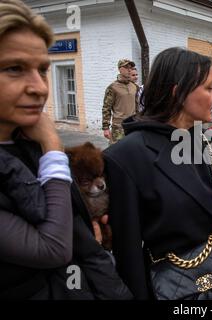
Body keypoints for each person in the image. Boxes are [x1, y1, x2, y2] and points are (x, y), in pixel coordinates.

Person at [103, 47, 212, 300]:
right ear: (178, 93)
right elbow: (128, 254)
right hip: (182, 291)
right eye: (209, 88)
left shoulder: (209, 140)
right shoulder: (126, 157)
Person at [0, 0, 132, 300]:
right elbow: (54, 249)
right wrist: (52, 147)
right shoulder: (48, 148)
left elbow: (81, 242)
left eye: (43, 70)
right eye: (14, 69)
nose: (39, 87)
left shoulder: (28, 146)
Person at [102, 58, 138, 144]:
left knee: (132, 149)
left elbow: (137, 106)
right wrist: (106, 128)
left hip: (132, 125)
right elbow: (106, 108)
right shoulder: (113, 87)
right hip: (118, 127)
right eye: (126, 67)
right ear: (120, 69)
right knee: (116, 151)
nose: (129, 70)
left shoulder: (134, 86)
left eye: (131, 67)